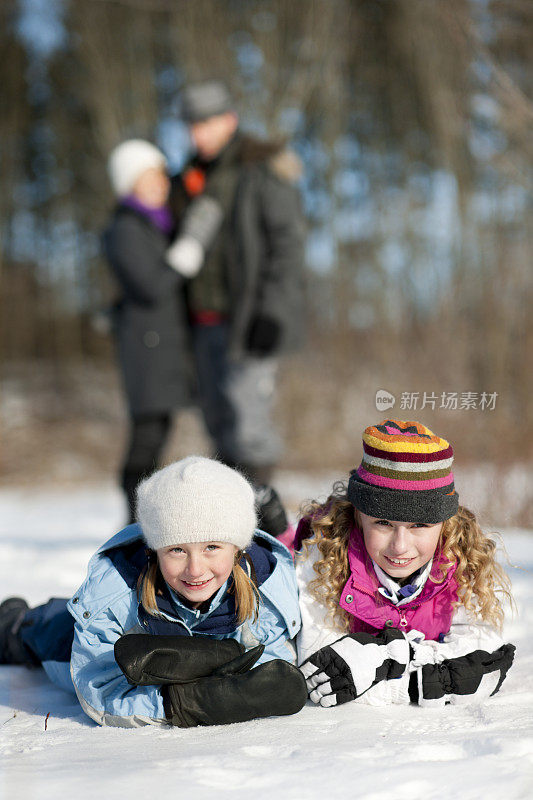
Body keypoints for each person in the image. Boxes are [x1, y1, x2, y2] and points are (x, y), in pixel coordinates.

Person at [0, 457, 306, 727]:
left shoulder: (265, 589)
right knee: (43, 627)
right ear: (154, 550)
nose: (195, 569)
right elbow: (100, 689)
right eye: (176, 550)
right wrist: (182, 703)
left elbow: (275, 665)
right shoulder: (117, 589)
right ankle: (13, 622)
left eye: (212, 547)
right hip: (77, 645)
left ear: (238, 547)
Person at [295, 419, 516, 708]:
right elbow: (323, 670)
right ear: (358, 515)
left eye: (419, 525)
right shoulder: (323, 554)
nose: (400, 546)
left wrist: (388, 665)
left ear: (444, 523)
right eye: (383, 523)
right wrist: (428, 677)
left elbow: (479, 649)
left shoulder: (461, 558)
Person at [170, 80, 305, 534]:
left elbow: (286, 245)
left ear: (229, 120)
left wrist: (273, 312)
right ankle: (231, 527)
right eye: (191, 126)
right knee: (218, 423)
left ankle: (266, 529)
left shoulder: (260, 169)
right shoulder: (190, 177)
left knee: (249, 423)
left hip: (248, 320)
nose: (197, 135)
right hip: (200, 321)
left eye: (205, 123)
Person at [103, 139, 223, 524]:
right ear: (128, 183)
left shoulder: (156, 223)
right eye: (146, 176)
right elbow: (149, 285)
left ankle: (141, 518)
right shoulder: (124, 227)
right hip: (146, 348)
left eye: (159, 174)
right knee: (148, 435)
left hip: (165, 347)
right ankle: (132, 520)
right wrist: (182, 257)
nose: (157, 183)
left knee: (158, 432)